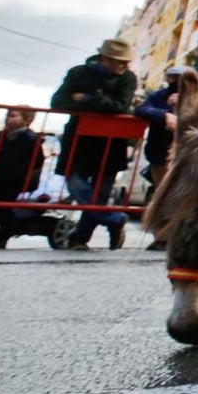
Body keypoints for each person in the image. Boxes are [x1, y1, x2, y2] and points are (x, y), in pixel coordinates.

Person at [51, 38, 137, 250]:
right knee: (75, 183)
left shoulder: (127, 78)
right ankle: (114, 219)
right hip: (78, 140)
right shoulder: (78, 73)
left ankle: (80, 238)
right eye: (120, 61)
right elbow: (58, 102)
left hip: (110, 142)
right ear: (106, 59)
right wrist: (99, 102)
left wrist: (86, 99)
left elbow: (120, 106)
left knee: (101, 191)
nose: (125, 66)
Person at [134, 65, 191, 250]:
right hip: (161, 154)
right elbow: (141, 110)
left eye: (180, 78)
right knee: (163, 194)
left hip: (187, 155)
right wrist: (165, 113)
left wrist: (182, 107)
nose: (175, 81)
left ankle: (181, 237)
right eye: (173, 77)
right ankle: (162, 237)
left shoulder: (197, 97)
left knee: (184, 196)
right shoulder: (159, 96)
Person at [0, 108, 44, 248]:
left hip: (16, 179)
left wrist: (26, 174)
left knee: (5, 206)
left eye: (13, 116)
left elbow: (37, 161)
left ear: (26, 120)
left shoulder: (31, 139)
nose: (7, 119)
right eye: (7, 115)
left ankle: (2, 236)